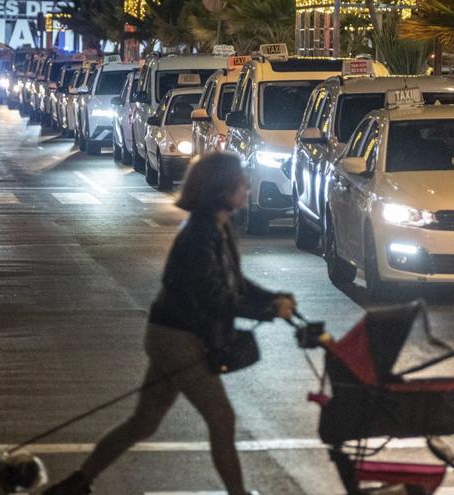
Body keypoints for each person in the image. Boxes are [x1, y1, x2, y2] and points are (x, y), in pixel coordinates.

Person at [44, 152, 296, 495]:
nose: (248, 187)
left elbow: (234, 283)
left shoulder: (219, 226)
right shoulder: (200, 233)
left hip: (173, 335)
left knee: (143, 421)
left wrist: (272, 298)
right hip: (177, 339)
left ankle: (76, 483)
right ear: (222, 188)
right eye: (241, 182)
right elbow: (213, 296)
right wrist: (267, 310)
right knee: (221, 418)